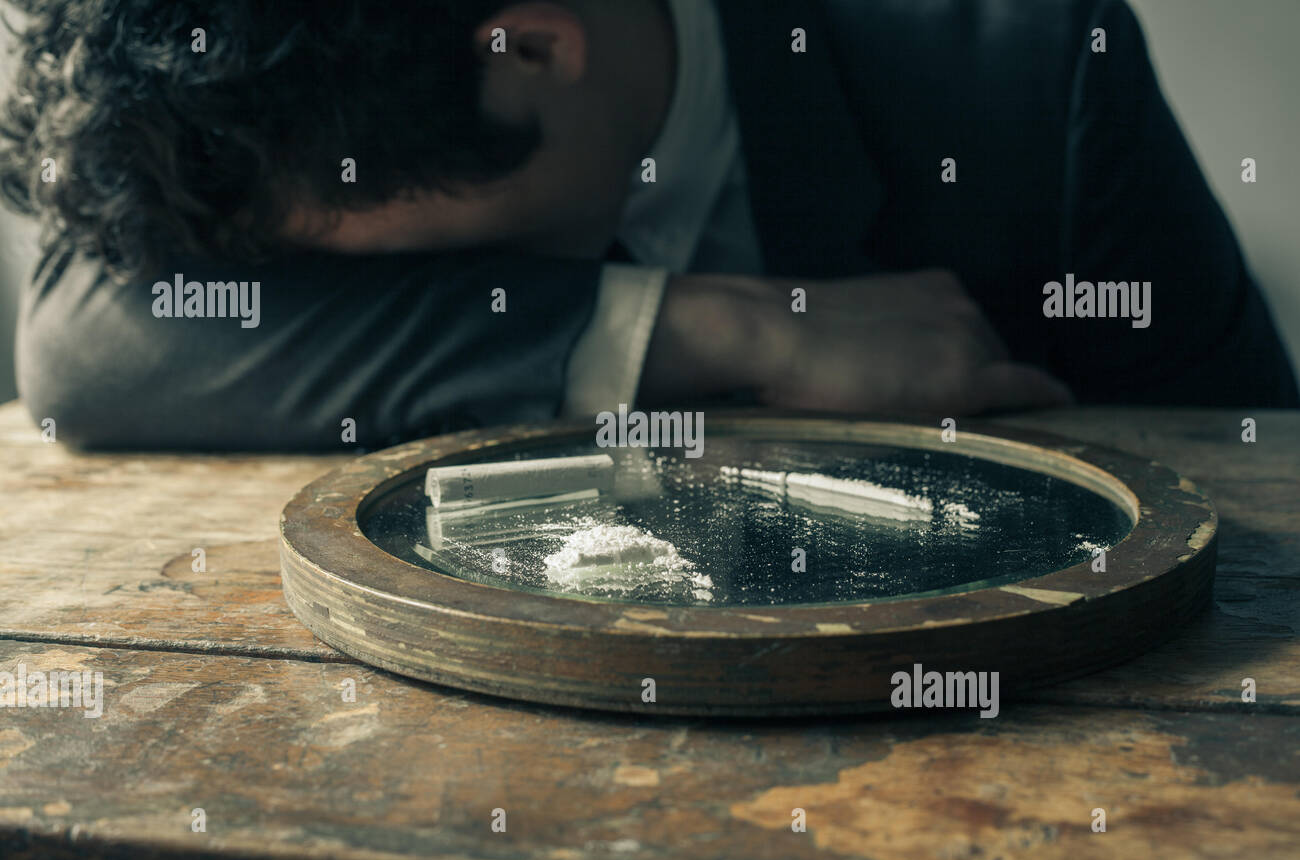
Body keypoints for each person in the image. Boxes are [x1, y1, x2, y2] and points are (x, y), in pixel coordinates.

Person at [2, 0, 1295, 450]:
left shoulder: (1037, 83)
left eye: (398, 255)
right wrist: (727, 330)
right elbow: (82, 344)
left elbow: (1258, 511)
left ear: (533, 49)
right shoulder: (293, 127)